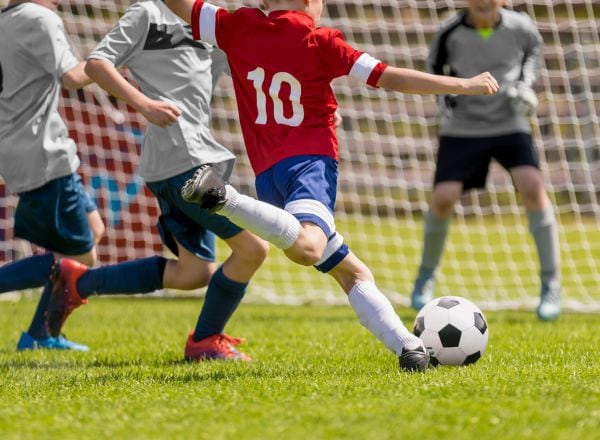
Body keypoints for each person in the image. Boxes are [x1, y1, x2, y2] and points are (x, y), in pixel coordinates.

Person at [163, 0, 499, 372]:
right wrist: (464, 84)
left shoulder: (236, 26)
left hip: (268, 176)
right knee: (308, 247)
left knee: (353, 273)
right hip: (310, 165)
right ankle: (223, 197)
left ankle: (410, 349)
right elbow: (392, 77)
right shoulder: (318, 41)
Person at [46, 0, 269, 361]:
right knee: (253, 248)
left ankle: (78, 282)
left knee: (195, 272)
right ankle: (204, 341)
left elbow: (254, 70)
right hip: (181, 163)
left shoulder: (208, 20)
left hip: (193, 161)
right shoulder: (147, 13)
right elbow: (97, 64)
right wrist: (145, 105)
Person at [409, 0, 561, 321]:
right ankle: (425, 277)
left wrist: (524, 85)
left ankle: (551, 285)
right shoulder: (449, 31)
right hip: (463, 126)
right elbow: (434, 67)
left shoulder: (521, 27)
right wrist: (445, 100)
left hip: (509, 122)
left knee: (533, 186)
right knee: (443, 198)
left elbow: (534, 51)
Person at [0, 0, 105, 351]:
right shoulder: (40, 17)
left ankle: (41, 334)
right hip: (41, 152)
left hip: (32, 148)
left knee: (93, 231)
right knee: (80, 257)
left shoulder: (7, 20)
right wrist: (115, 55)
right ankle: (41, 336)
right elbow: (74, 78)